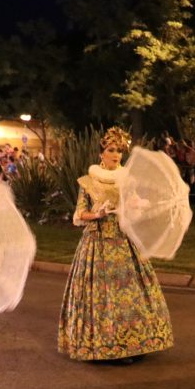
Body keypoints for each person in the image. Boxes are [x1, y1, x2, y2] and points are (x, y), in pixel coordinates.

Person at [58, 127, 174, 362]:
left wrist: (137, 207)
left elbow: (133, 208)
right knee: (102, 297)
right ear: (102, 152)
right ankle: (105, 346)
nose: (116, 155)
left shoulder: (126, 179)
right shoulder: (88, 181)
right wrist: (96, 214)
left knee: (128, 294)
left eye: (119, 151)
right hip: (97, 243)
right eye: (111, 150)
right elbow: (79, 214)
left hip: (123, 241)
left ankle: (133, 342)